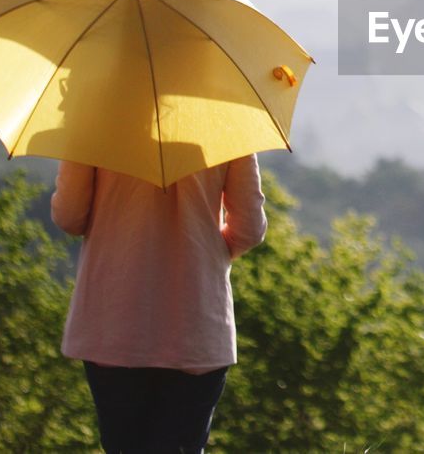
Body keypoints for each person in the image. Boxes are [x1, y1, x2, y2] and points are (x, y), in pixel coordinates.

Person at [51, 154, 268, 453]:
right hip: (196, 322)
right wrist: (202, 252)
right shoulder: (224, 122)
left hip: (115, 322)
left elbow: (70, 217)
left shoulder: (94, 120)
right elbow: (249, 230)